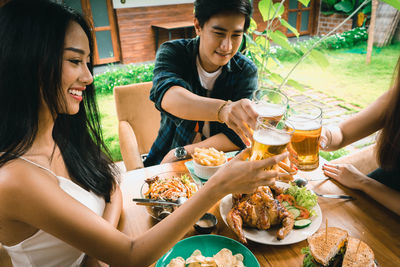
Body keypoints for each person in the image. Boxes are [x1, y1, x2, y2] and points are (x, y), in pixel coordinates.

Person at [0, 1, 288, 266]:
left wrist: (94, 246)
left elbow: (110, 186)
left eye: (87, 63)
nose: (88, 77)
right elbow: (130, 255)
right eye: (75, 62)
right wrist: (218, 184)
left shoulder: (60, 133)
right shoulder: (16, 178)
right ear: (26, 61)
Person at [144, 0, 259, 166]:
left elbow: (238, 135)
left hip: (220, 166)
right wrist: (224, 110)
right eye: (219, 33)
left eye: (236, 35)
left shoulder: (245, 71)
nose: (227, 46)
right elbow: (167, 96)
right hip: (165, 160)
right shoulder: (173, 52)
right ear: (198, 26)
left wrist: (184, 152)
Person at [320, 56, 400, 216]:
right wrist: (326, 135)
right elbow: (342, 133)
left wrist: (363, 182)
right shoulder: (396, 98)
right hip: (368, 196)